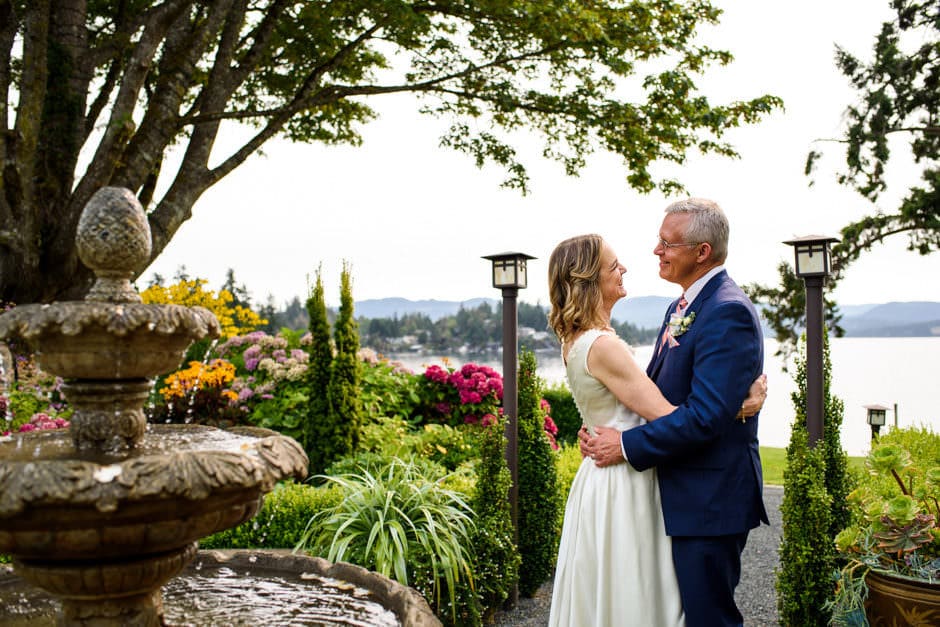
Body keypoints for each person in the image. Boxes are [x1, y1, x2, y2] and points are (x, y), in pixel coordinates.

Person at [546, 232, 766, 627]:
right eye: (613, 266)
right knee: (638, 597)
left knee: (612, 594)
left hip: (606, 481)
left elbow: (635, 402)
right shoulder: (604, 345)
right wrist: (737, 408)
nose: (625, 268)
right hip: (623, 484)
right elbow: (666, 414)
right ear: (589, 280)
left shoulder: (577, 341)